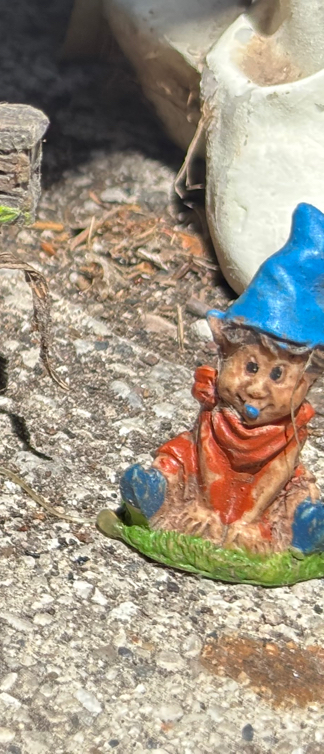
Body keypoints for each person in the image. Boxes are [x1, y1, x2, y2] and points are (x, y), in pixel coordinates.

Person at [120, 203, 324, 555]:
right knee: (178, 457)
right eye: (250, 367)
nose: (257, 389)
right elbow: (206, 453)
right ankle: (152, 494)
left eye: (278, 374)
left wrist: (247, 521)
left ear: (309, 378)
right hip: (203, 479)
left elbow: (275, 474)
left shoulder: (289, 431)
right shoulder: (215, 408)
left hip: (261, 499)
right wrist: (206, 508)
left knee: (297, 490)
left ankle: (305, 529)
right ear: (226, 352)